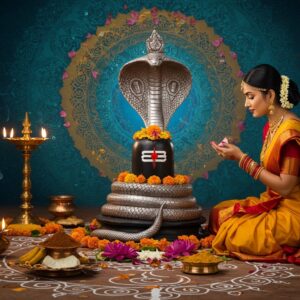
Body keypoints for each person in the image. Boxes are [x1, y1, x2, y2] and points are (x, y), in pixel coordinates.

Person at [210, 64, 300, 261]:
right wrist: (235, 154)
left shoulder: (290, 134)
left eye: (251, 96)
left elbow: (285, 188)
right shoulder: (272, 126)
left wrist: (242, 159)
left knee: (237, 235)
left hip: (293, 212)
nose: (246, 103)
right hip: (274, 203)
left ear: (270, 96)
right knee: (218, 213)